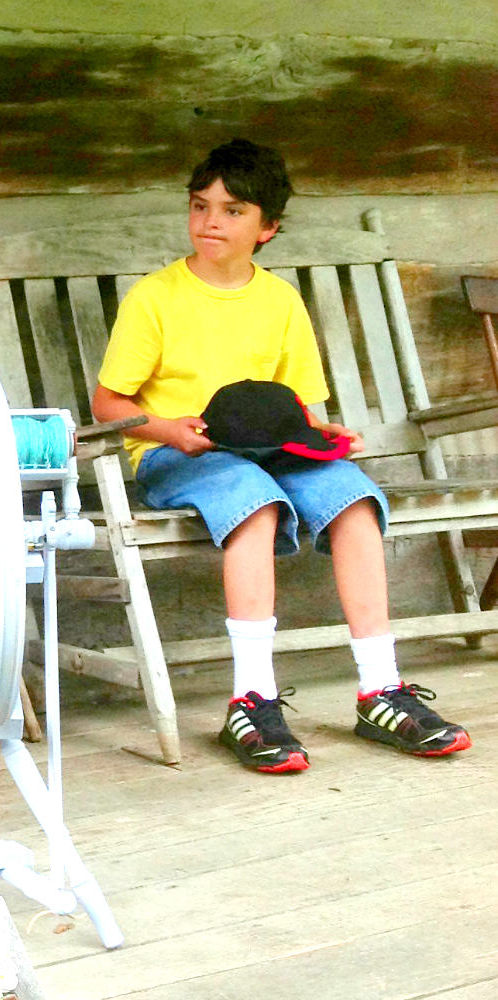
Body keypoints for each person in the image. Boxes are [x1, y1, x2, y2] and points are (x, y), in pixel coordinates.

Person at [91, 138, 471, 773]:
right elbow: (108, 402)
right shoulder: (156, 298)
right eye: (200, 206)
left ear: (267, 228)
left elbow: (299, 404)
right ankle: (252, 699)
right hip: (177, 454)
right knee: (256, 502)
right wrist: (168, 430)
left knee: (353, 498)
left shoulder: (279, 300)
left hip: (269, 449)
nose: (211, 222)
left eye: (232, 211)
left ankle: (380, 689)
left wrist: (325, 434)